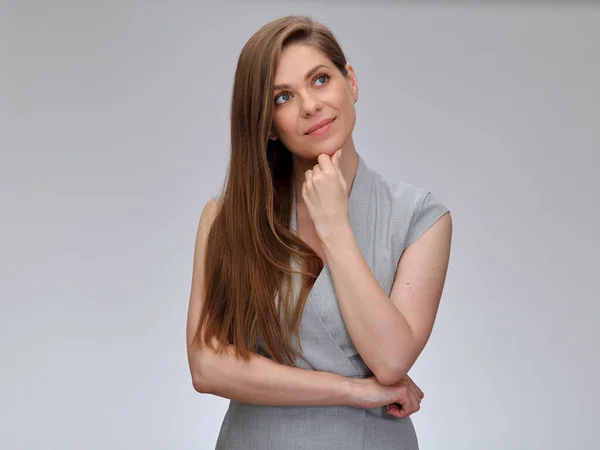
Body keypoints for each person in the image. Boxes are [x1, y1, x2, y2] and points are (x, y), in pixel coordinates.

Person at [186, 14, 452, 450]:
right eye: (284, 96)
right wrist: (352, 391)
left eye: (322, 79)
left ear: (351, 82)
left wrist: (334, 227)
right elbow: (206, 366)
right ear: (267, 124)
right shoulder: (227, 217)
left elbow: (389, 361)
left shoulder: (420, 217)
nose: (310, 105)